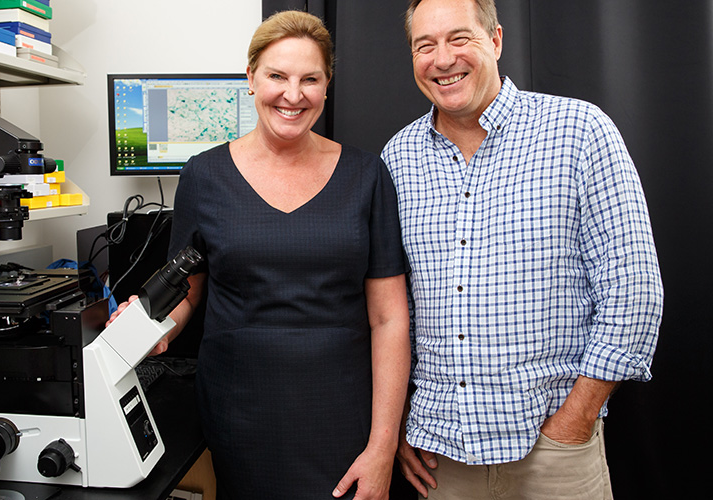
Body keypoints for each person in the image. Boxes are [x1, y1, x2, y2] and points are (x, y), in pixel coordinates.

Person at [107, 10, 411, 500]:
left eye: (310, 79)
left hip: (342, 417)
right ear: (250, 79)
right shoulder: (204, 176)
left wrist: (382, 446)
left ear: (327, 86)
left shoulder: (366, 176)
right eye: (277, 76)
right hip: (240, 416)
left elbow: (390, 318)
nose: (293, 95)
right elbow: (186, 290)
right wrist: (154, 329)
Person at [380, 0, 664, 499]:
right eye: (424, 45)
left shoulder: (579, 131)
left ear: (496, 40)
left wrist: (572, 423)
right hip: (442, 459)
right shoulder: (397, 158)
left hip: (553, 455)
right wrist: (399, 423)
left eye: (459, 38)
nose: (442, 58)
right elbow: (391, 310)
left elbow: (633, 292)